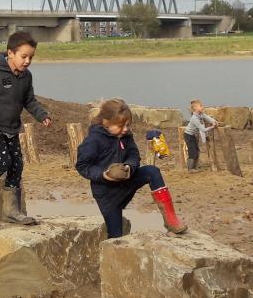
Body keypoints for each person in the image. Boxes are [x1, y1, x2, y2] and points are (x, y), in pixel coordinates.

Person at [76, 98, 187, 238]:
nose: (125, 129)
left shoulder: (126, 136)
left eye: (128, 125)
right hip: (107, 194)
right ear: (106, 122)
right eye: (121, 126)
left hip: (126, 182)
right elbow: (82, 166)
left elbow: (133, 154)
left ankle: (171, 220)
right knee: (116, 236)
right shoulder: (93, 140)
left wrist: (130, 167)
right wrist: (104, 175)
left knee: (152, 171)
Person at [0, 31, 51, 225]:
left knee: (17, 165)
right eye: (24, 56)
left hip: (12, 128)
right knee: (3, 160)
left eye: (31, 57)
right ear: (10, 53)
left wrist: (42, 115)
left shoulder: (26, 77)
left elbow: (29, 100)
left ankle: (11, 210)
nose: (27, 61)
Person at [182, 100, 220, 170]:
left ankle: (194, 167)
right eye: (201, 106)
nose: (203, 107)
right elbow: (203, 130)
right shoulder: (194, 118)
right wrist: (212, 127)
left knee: (196, 151)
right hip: (188, 136)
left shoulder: (200, 114)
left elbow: (207, 118)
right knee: (192, 152)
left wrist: (215, 122)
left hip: (192, 135)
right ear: (195, 108)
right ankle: (190, 169)